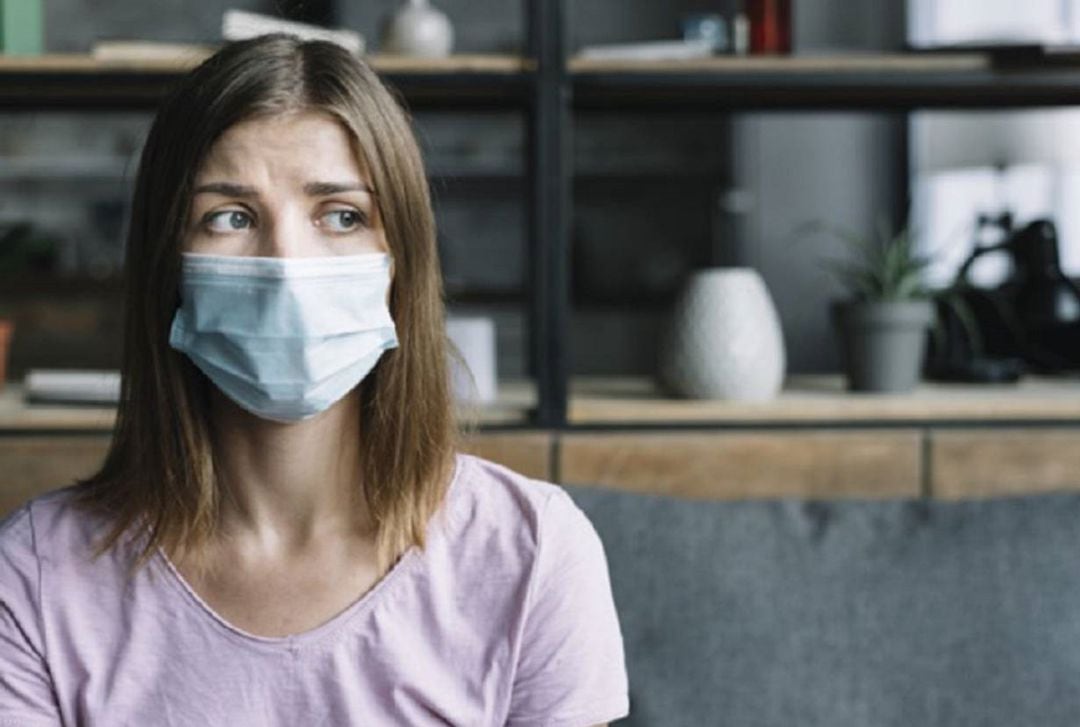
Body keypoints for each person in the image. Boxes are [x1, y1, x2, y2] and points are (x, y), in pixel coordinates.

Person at [0, 34, 629, 726]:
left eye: (342, 216)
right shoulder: (37, 572)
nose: (288, 266)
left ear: (401, 262)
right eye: (230, 217)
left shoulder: (531, 554)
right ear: (167, 266)